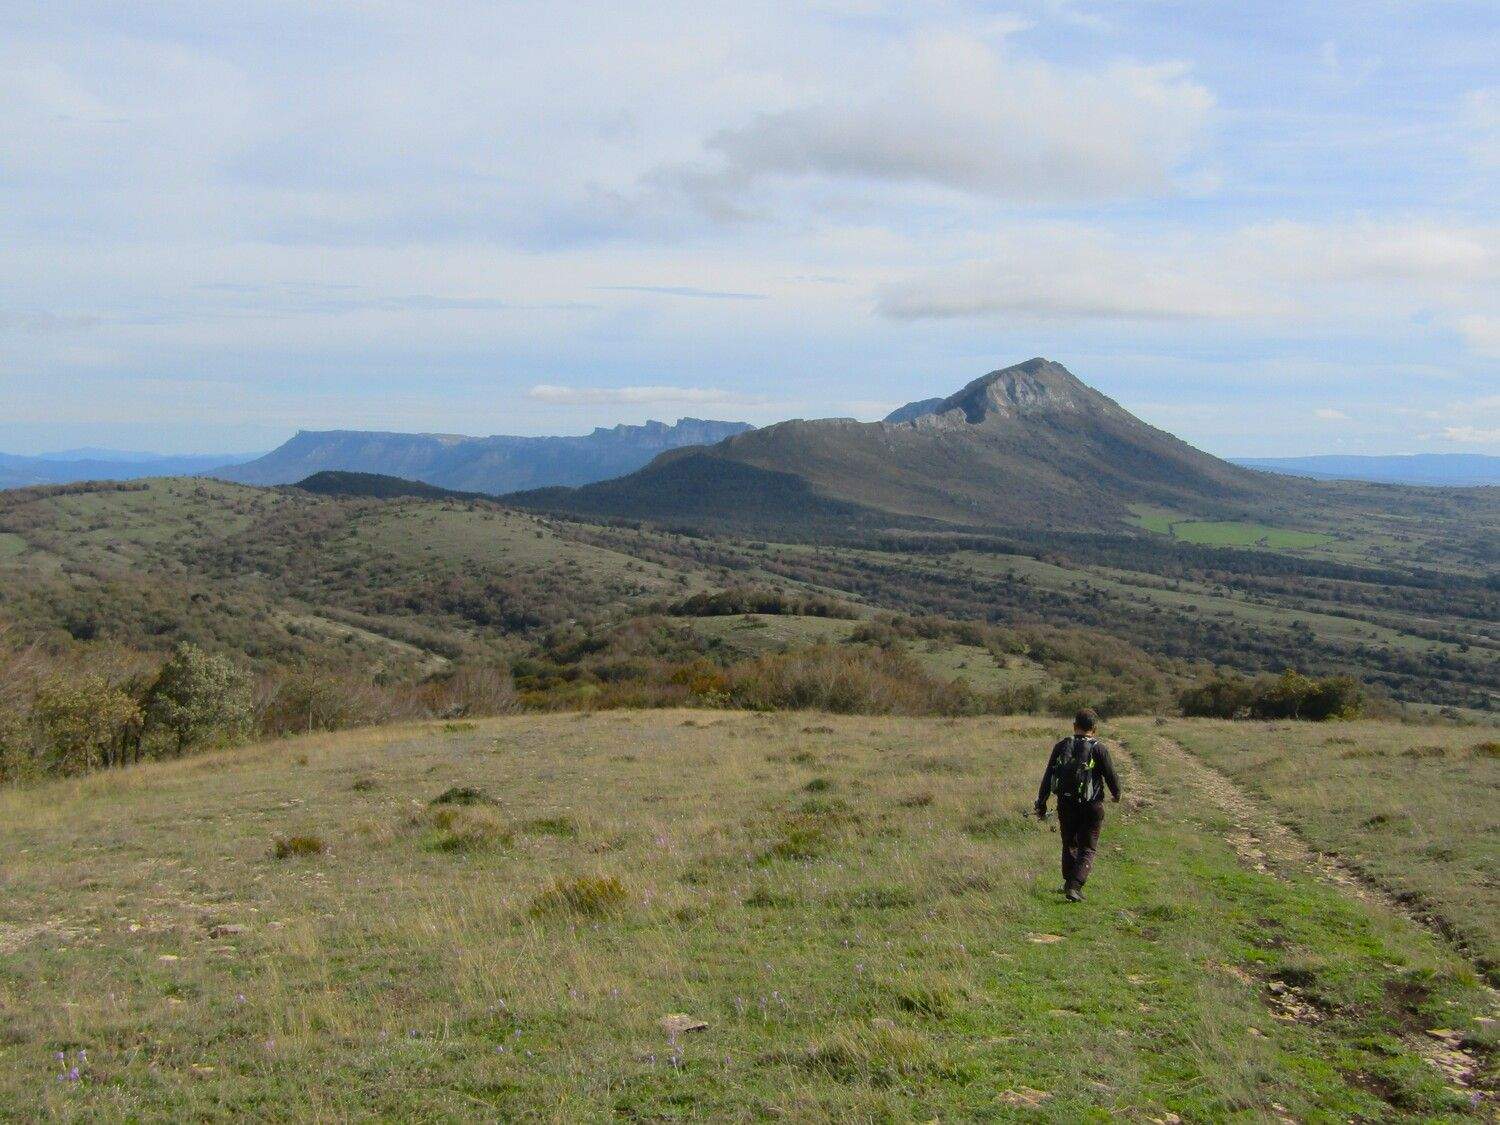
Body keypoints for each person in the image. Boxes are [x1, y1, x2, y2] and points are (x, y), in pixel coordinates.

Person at [1034, 709, 1121, 902]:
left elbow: (1048, 776)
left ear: (1074, 727)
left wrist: (1041, 802)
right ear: (1095, 729)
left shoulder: (1061, 746)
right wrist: (1117, 794)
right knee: (1088, 848)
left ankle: (1068, 882)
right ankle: (1074, 886)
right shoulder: (1099, 749)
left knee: (1069, 843)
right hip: (1092, 805)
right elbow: (1111, 776)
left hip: (1065, 803)